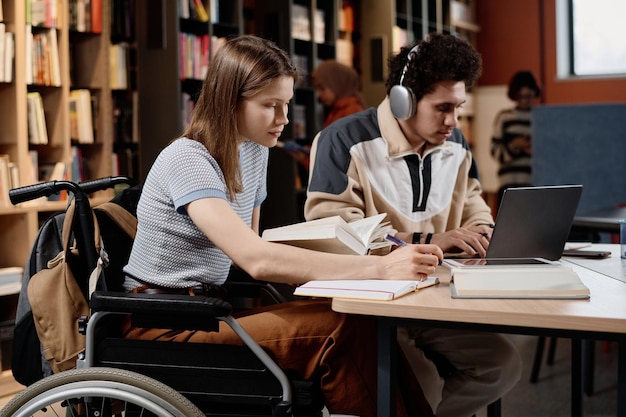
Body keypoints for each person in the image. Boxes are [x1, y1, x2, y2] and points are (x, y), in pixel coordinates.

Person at [122, 35, 444, 417]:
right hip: (163, 326)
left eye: (286, 104)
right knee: (342, 331)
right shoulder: (187, 160)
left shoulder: (254, 151)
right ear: (230, 101)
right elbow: (255, 259)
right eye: (270, 106)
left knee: (361, 321)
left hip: (207, 312)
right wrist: (379, 269)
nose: (284, 119)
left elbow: (250, 248)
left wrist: (350, 258)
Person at [305, 33, 522, 417]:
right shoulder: (342, 140)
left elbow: (475, 205)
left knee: (502, 364)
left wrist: (484, 233)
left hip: (438, 299)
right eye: (442, 108)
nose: (452, 121)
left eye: (458, 107)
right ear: (403, 101)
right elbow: (333, 232)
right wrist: (429, 239)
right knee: (420, 383)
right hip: (372, 305)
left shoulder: (456, 144)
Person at [491, 70, 541, 205]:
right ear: (514, 96)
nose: (525, 101)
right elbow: (495, 153)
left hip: (537, 186)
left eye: (528, 96)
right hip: (509, 186)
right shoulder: (505, 117)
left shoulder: (542, 118)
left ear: (535, 93)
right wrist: (515, 146)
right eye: (521, 96)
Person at [312, 59, 366, 128]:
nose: (318, 94)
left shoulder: (351, 111)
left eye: (322, 88)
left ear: (337, 84)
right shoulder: (337, 110)